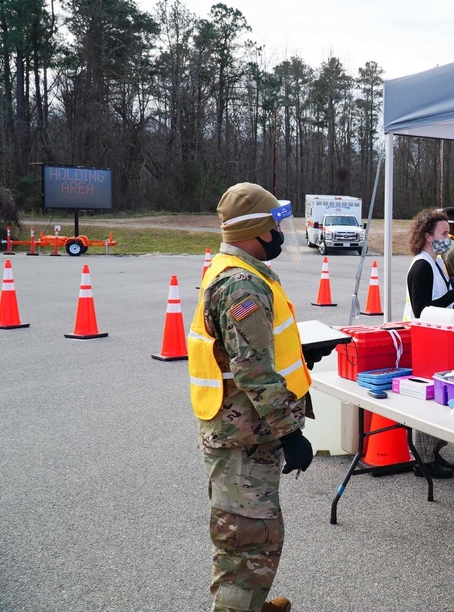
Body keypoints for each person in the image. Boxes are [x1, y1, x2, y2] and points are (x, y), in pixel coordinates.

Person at [188, 183, 314, 612]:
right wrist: (291, 431)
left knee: (253, 536)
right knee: (246, 546)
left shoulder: (237, 270)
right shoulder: (242, 285)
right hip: (244, 438)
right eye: (275, 227)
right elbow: (252, 369)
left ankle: (252, 606)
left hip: (242, 431)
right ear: (258, 230)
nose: (280, 237)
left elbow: (246, 350)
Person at [404, 207, 454, 478]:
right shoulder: (422, 266)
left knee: (443, 395)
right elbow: (422, 308)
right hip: (429, 341)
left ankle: (433, 452)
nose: (449, 238)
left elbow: (444, 296)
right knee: (430, 398)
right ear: (428, 236)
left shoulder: (437, 262)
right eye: (444, 233)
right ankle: (423, 459)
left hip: (442, 339)